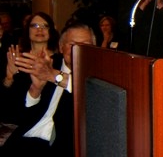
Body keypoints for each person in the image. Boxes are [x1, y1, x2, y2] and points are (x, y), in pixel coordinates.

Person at [0, 22, 95, 156]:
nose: (78, 49)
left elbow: (88, 90)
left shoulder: (98, 75)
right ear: (61, 48)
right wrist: (35, 90)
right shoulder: (47, 64)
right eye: (72, 44)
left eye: (86, 44)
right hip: (25, 140)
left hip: (63, 146)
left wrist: (54, 76)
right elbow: (15, 115)